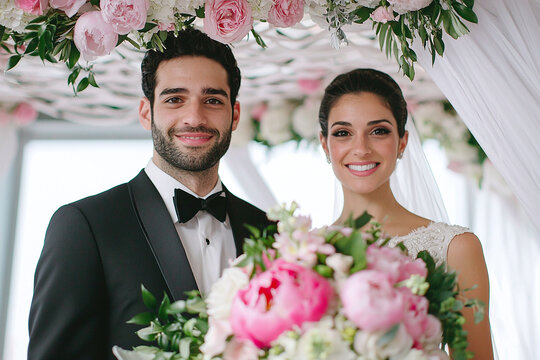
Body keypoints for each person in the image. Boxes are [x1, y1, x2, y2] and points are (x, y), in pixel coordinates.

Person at [28, 28, 271, 360]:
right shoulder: (86, 226)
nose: (194, 117)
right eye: (174, 99)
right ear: (146, 113)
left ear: (235, 114)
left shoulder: (271, 232)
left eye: (212, 100)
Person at [318, 68, 493, 359]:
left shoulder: (455, 248)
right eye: (343, 133)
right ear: (326, 145)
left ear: (402, 142)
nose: (360, 148)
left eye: (378, 131)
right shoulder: (305, 253)